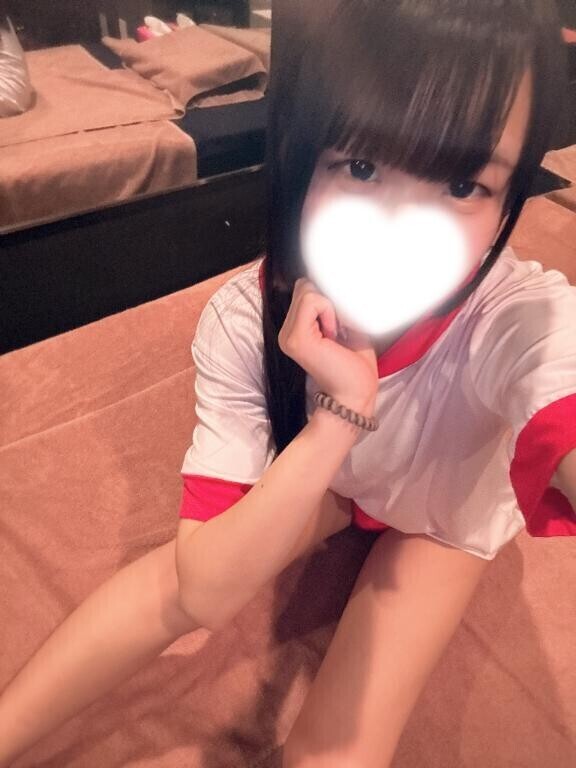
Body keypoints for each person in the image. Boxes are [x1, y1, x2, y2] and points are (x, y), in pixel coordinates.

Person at [1, 1, 576, 766]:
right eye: (362, 166)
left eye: (465, 183)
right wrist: (338, 420)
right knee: (171, 582)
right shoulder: (246, 318)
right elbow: (199, 590)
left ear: (508, 201)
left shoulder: (519, 317)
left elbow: (556, 375)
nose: (401, 228)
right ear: (305, 158)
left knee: (333, 752)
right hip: (337, 477)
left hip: (442, 510)